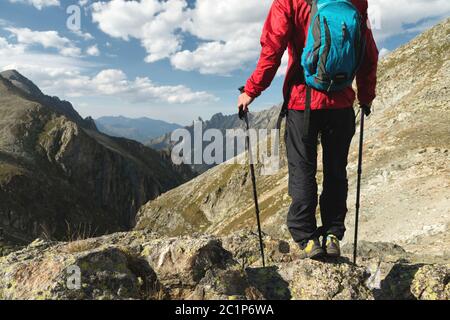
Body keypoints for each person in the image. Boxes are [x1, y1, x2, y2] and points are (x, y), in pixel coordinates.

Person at [237, 0, 378, 258]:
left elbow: (273, 48)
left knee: (302, 169)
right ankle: (333, 233)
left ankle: (307, 238)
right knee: (336, 170)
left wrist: (251, 90)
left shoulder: (288, 2)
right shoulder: (356, 2)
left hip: (303, 103)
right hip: (342, 103)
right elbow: (368, 53)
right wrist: (366, 96)